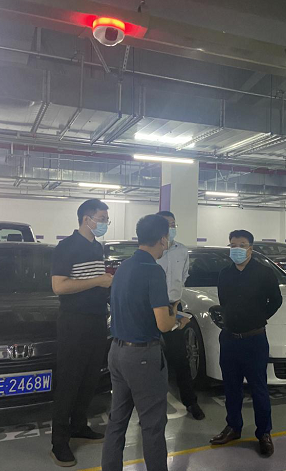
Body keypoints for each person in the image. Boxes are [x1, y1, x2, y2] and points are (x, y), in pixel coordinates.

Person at [102, 215, 183, 471]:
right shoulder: (153, 270)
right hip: (143, 357)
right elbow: (163, 324)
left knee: (117, 421)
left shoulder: (124, 267)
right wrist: (176, 316)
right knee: (152, 424)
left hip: (117, 352)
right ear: (162, 239)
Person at [50, 199, 114, 467]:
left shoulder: (97, 247)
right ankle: (59, 442)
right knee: (69, 381)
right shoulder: (66, 247)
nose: (105, 223)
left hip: (97, 321)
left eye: (106, 219)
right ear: (87, 219)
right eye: (102, 218)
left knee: (89, 379)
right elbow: (59, 286)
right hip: (74, 323)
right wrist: (98, 280)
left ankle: (79, 425)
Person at [210, 229, 282, 457]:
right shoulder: (224, 274)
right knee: (231, 387)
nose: (237, 249)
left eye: (241, 245)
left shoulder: (264, 273)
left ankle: (264, 433)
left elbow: (276, 300)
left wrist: (259, 317)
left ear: (251, 248)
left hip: (254, 339)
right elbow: (224, 301)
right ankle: (233, 427)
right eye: (233, 245)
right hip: (229, 339)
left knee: (259, 388)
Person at [156, 210, 205, 420]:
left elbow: (183, 277)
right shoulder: (151, 252)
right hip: (151, 309)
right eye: (167, 224)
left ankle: (190, 402)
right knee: (152, 361)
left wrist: (176, 308)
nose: (171, 228)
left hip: (173, 308)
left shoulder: (182, 251)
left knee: (180, 358)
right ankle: (149, 409)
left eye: (173, 224)